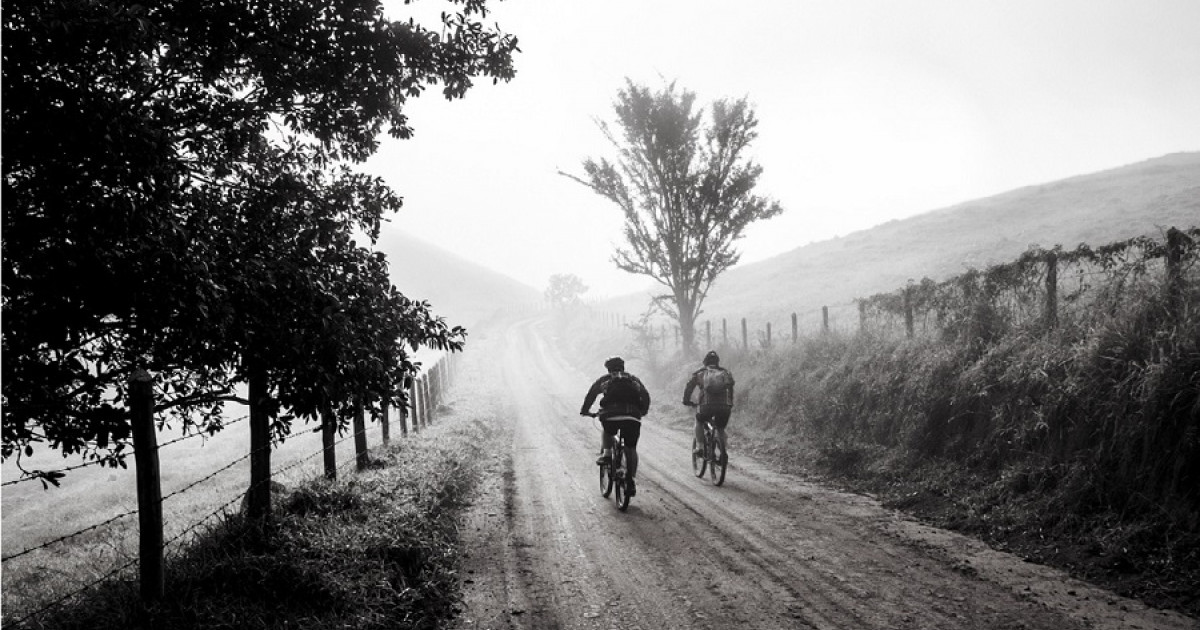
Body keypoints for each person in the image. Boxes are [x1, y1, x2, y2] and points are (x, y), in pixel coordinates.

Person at [580, 356, 651, 496]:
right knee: (631, 448)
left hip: (611, 414)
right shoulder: (633, 379)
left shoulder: (605, 380)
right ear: (623, 367)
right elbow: (645, 396)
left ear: (608, 369)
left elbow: (591, 394)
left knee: (608, 431)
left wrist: (585, 410)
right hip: (633, 416)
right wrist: (642, 411)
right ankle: (630, 479)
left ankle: (607, 454)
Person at [682, 350, 734, 462]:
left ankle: (700, 447)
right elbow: (731, 388)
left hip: (706, 406)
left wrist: (686, 400)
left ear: (705, 362)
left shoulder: (700, 373)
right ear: (717, 362)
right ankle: (723, 451)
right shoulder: (725, 373)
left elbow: (689, 387)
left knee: (699, 421)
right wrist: (730, 403)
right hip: (725, 406)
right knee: (720, 428)